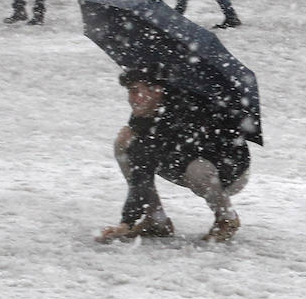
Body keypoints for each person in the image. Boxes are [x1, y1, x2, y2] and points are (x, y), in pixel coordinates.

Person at [97, 68, 250, 244]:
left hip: (229, 171)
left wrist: (145, 142)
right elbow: (142, 171)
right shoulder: (146, 111)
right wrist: (127, 222)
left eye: (135, 91)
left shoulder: (187, 109)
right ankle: (156, 220)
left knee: (196, 171)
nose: (132, 99)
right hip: (181, 163)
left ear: (157, 90)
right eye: (129, 92)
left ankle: (226, 217)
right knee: (124, 144)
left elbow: (149, 159)